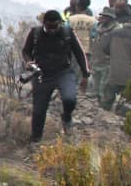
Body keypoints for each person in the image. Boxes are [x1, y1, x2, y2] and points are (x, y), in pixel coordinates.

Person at [21, 9, 90, 143]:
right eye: (49, 27)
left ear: (60, 23)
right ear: (44, 23)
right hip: (42, 74)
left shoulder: (67, 33)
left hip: (63, 72)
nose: (52, 30)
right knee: (39, 111)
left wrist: (85, 74)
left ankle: (67, 117)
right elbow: (26, 51)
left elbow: (80, 53)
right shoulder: (35, 33)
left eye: (55, 26)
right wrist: (29, 62)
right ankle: (36, 139)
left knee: (70, 99)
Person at [97, 16, 131, 111]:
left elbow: (105, 48)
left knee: (108, 98)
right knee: (128, 102)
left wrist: (115, 54)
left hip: (114, 71)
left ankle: (104, 118)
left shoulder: (114, 32)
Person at [89, 7, 118, 103]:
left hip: (108, 59)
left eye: (106, 16)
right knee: (96, 78)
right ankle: (95, 96)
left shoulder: (116, 29)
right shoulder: (98, 27)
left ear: (111, 17)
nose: (104, 18)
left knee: (105, 82)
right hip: (97, 57)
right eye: (103, 15)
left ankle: (103, 100)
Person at [67, 1, 95, 91]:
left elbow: (65, 32)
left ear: (78, 7)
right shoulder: (93, 20)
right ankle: (82, 89)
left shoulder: (71, 19)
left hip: (72, 49)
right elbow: (95, 35)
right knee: (84, 70)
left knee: (72, 69)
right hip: (86, 49)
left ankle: (72, 88)